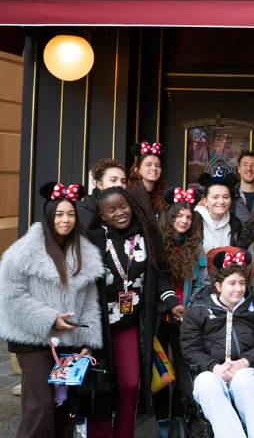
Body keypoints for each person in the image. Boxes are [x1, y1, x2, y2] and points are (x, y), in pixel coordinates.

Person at [0, 182, 102, 438]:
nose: (65, 220)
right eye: (59, 214)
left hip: (69, 339)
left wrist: (87, 342)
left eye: (70, 214)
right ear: (48, 216)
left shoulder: (85, 253)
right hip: (31, 336)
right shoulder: (23, 251)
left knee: (63, 404)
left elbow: (89, 302)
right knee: (42, 403)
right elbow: (10, 297)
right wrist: (49, 318)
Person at [86, 186, 179, 438]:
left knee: (130, 384)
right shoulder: (92, 240)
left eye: (123, 206)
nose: (119, 212)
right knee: (100, 384)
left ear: (132, 206)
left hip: (129, 323)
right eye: (111, 209)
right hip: (97, 326)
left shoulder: (147, 237)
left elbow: (161, 277)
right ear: (102, 215)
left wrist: (172, 302)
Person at [179, 250, 254, 438]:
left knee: (244, 379)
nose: (239, 289)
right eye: (232, 283)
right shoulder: (197, 309)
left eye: (242, 283)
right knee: (206, 383)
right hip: (211, 371)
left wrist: (244, 362)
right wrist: (214, 367)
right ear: (218, 286)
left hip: (249, 369)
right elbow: (190, 349)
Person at [153, 187, 207, 435]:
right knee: (160, 369)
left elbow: (203, 283)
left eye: (188, 217)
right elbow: (153, 282)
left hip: (185, 317)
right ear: (169, 217)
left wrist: (188, 309)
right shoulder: (156, 244)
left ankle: (179, 417)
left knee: (184, 367)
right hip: (160, 316)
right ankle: (162, 421)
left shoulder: (197, 248)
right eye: (178, 216)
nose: (184, 221)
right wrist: (170, 305)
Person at [195, 166, 242, 255]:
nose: (221, 201)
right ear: (205, 201)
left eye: (226, 197)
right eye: (215, 197)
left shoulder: (235, 223)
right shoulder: (194, 220)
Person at [126, 141, 167, 230]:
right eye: (148, 165)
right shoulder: (129, 195)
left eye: (157, 165)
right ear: (137, 171)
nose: (154, 168)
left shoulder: (165, 195)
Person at [80, 159, 128, 229]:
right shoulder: (84, 211)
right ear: (99, 184)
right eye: (113, 180)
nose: (120, 184)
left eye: (123, 181)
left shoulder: (130, 207)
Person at [233, 151, 254, 224]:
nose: (249, 168)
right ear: (239, 169)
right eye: (245, 165)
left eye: (253, 165)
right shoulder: (229, 195)